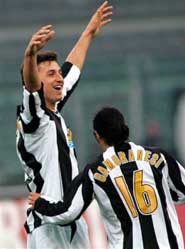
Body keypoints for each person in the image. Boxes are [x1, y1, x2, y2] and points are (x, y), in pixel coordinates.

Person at [16, 2, 113, 249]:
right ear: (38, 82)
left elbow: (72, 70)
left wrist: (89, 32)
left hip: (68, 220)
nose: (59, 78)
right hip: (48, 225)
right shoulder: (32, 120)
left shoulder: (53, 110)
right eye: (51, 74)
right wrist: (29, 55)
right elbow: (30, 86)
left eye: (58, 73)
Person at [29, 107, 185, 249]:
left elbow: (68, 213)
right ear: (125, 128)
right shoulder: (158, 157)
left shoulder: (94, 172)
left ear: (97, 136)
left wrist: (40, 203)